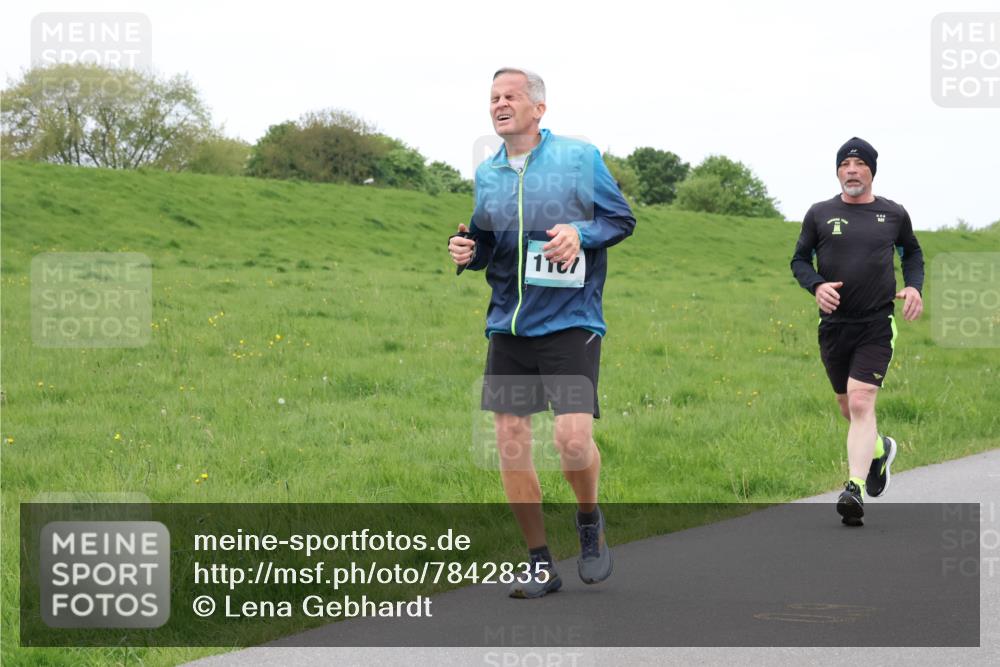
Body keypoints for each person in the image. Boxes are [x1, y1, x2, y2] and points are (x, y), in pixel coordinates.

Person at [448, 67, 636, 596]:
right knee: (511, 443)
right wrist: (468, 251)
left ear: (538, 108)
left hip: (571, 321)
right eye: (493, 97)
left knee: (571, 440)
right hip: (508, 325)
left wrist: (579, 232)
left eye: (510, 96)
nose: (499, 104)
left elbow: (620, 220)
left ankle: (589, 518)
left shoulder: (579, 158)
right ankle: (538, 562)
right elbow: (487, 242)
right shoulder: (488, 173)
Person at [791, 137, 924, 526]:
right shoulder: (819, 214)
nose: (851, 170)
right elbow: (799, 260)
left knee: (862, 401)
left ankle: (854, 488)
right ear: (838, 172)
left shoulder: (893, 214)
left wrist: (914, 286)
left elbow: (912, 253)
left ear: (871, 171)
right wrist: (816, 285)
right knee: (847, 406)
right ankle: (879, 450)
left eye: (859, 164)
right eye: (845, 165)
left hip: (876, 323)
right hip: (834, 326)